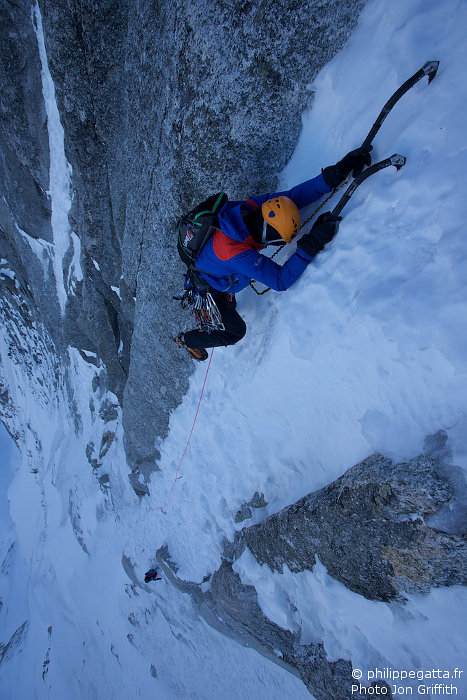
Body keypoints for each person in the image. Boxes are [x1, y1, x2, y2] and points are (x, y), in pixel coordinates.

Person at [175, 147, 371, 361]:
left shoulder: (252, 207)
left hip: (215, 269)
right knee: (235, 331)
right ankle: (188, 341)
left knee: (230, 300)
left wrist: (337, 172)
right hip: (209, 289)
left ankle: (222, 303)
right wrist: (313, 242)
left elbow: (293, 197)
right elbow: (279, 280)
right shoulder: (236, 251)